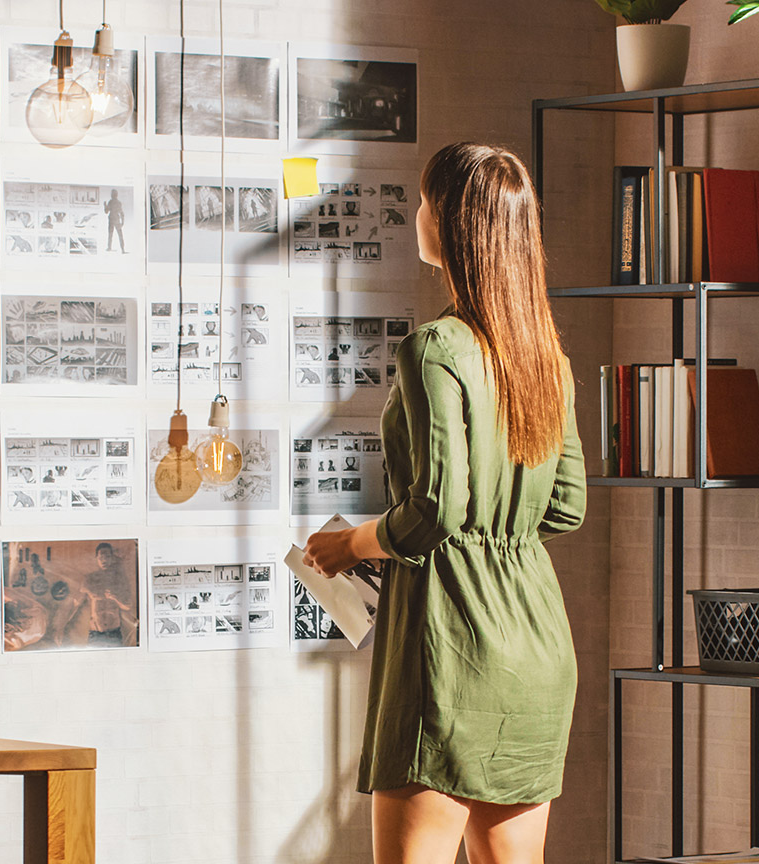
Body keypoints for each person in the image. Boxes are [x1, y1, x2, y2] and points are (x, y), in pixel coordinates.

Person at [299, 142, 585, 864]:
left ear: (452, 222)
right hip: (537, 648)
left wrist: (350, 545)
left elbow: (434, 512)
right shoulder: (545, 355)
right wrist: (500, 528)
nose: (417, 211)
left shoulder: (434, 349)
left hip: (449, 650)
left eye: (425, 199)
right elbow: (566, 507)